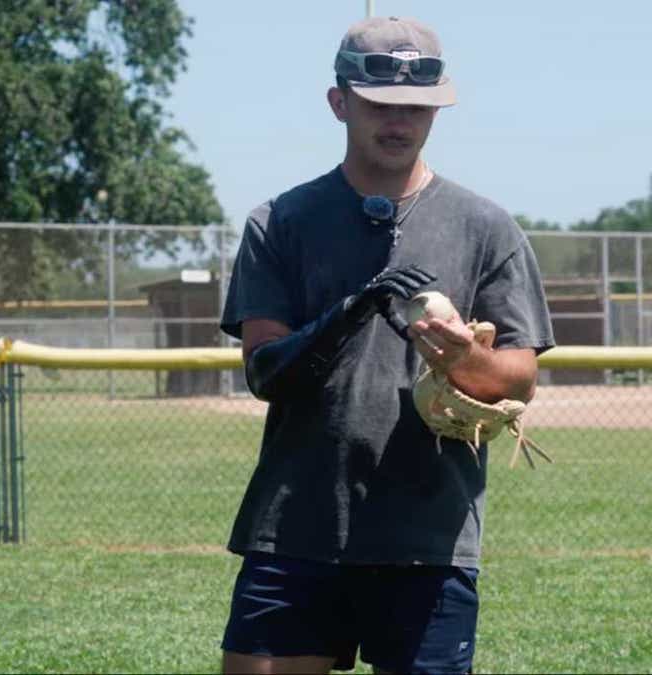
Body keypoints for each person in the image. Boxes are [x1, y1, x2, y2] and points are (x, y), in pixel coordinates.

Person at [218, 15, 554, 674]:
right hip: (297, 527)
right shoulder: (280, 222)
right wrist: (348, 312)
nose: (399, 121)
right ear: (339, 102)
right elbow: (265, 371)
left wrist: (466, 361)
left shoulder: (486, 227)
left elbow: (518, 378)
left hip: (429, 535)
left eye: (417, 107)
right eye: (380, 105)